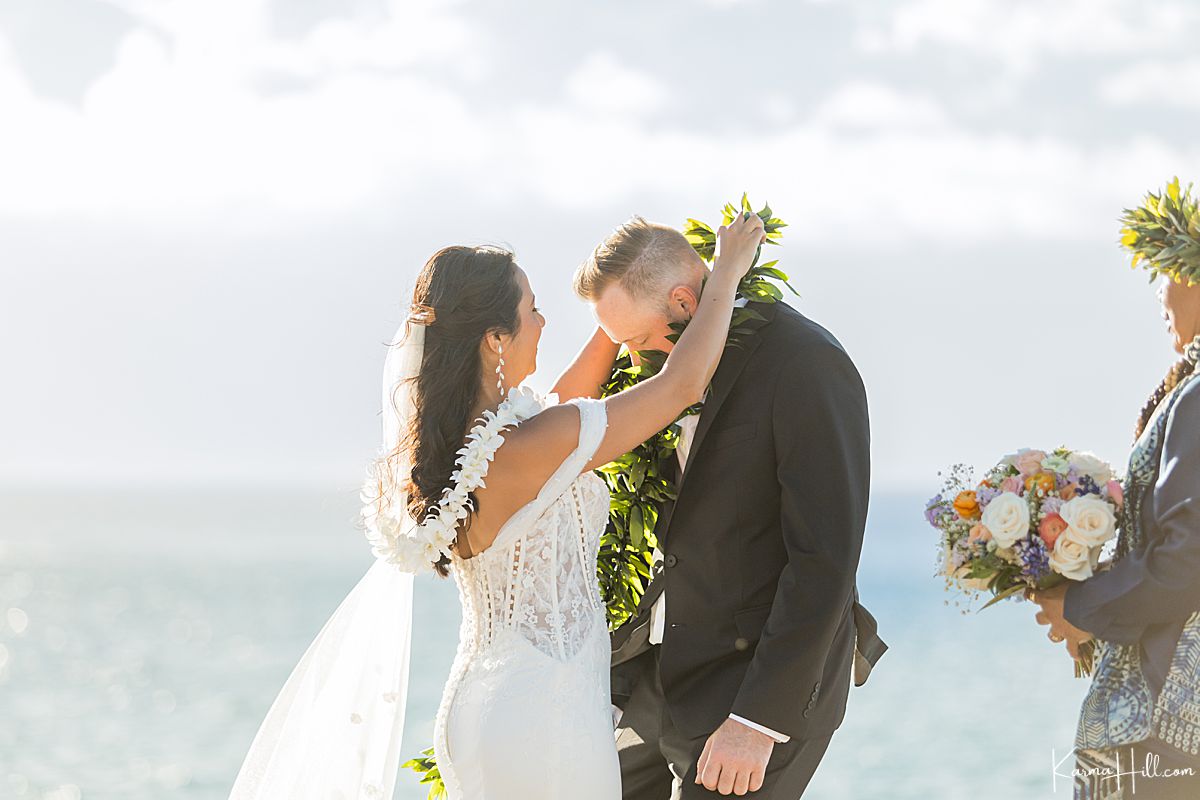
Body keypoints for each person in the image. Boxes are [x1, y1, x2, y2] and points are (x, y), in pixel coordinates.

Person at [226, 213, 766, 799]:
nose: (542, 320)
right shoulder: (524, 447)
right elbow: (679, 388)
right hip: (543, 715)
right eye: (532, 308)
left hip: (494, 704)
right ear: (494, 340)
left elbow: (568, 404)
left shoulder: (480, 445)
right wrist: (728, 271)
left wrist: (619, 318)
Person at [574, 216, 887, 799]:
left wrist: (757, 722)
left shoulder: (805, 363)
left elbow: (826, 559)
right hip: (648, 675)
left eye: (638, 342)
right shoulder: (652, 366)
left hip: (751, 688)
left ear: (686, 301)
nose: (635, 362)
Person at [1030, 274, 1200, 799]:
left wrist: (1079, 605)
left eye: (1167, 274)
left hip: (1171, 726)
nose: (1160, 293)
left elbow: (1186, 563)